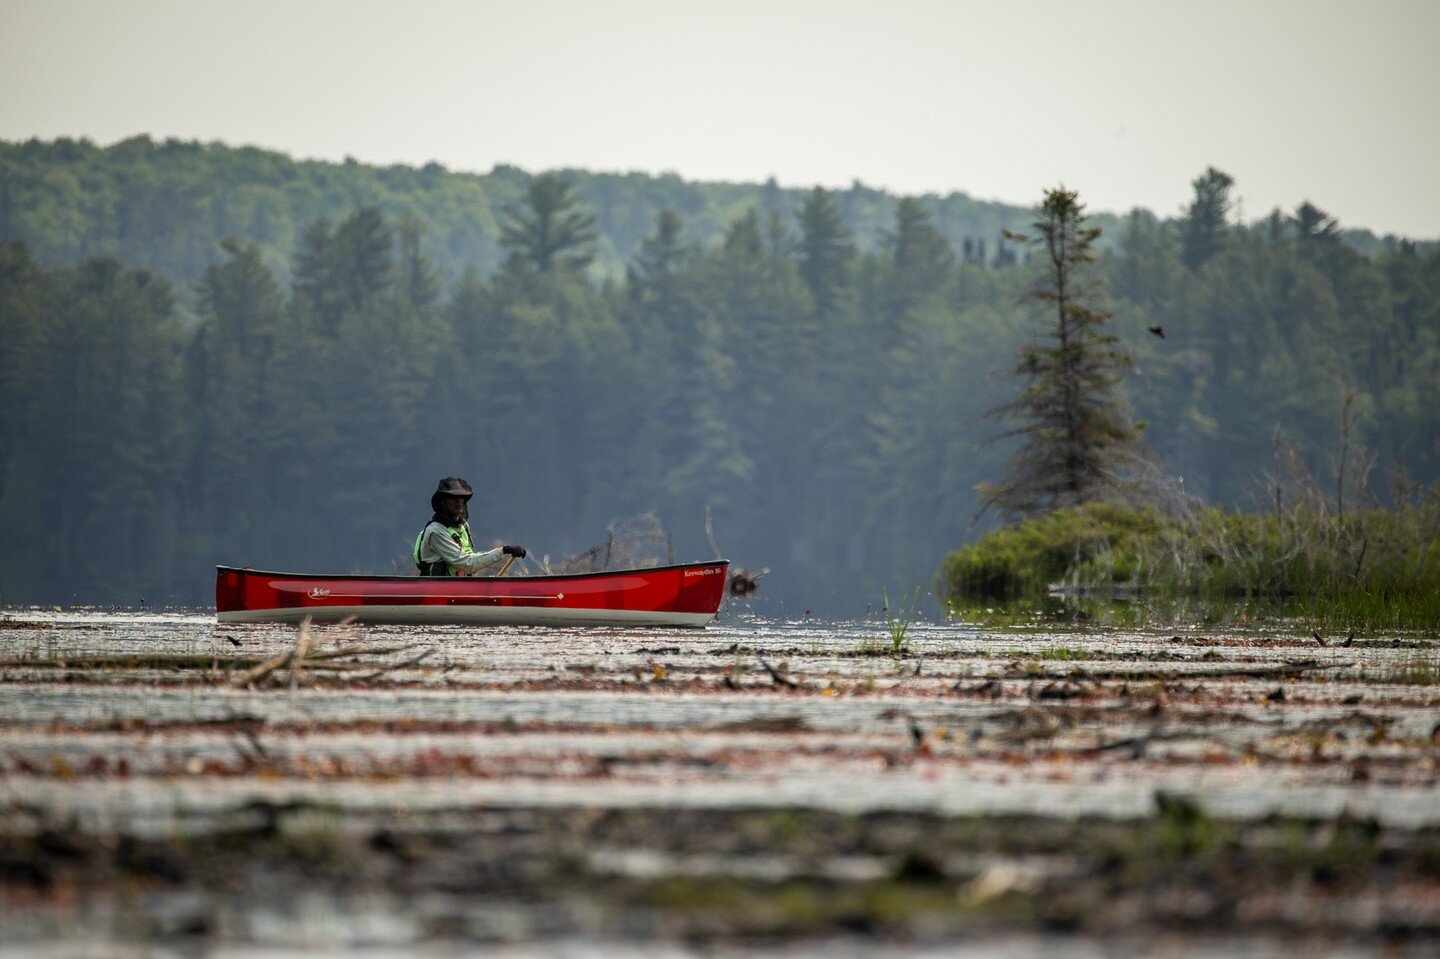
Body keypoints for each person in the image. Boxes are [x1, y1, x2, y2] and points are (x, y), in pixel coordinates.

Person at [413, 477, 526, 576]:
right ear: (442, 502)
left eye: (461, 497)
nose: (458, 501)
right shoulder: (436, 532)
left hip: (459, 589)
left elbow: (470, 563)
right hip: (438, 591)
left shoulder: (462, 527)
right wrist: (503, 550)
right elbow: (469, 564)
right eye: (452, 497)